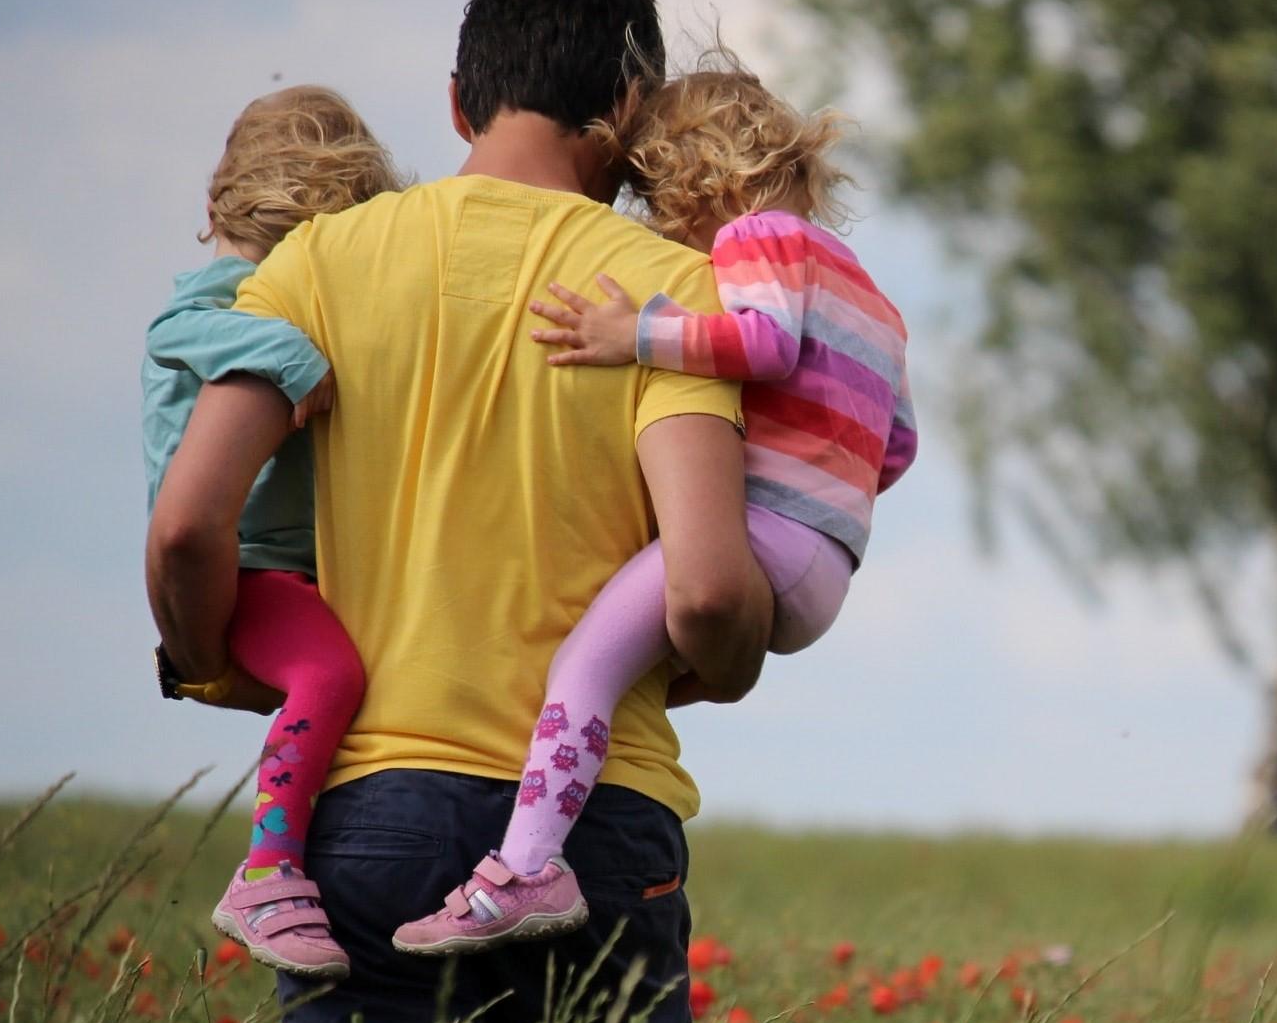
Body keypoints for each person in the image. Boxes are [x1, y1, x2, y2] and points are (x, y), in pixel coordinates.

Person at [145, 0, 772, 1023]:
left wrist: (216, 660)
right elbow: (702, 591)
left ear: (456, 100)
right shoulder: (666, 294)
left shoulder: (316, 265)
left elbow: (185, 526)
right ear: (629, 109)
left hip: (370, 812)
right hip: (596, 826)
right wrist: (728, 663)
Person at [393, 62, 917, 955]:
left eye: (656, 198)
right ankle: (554, 822)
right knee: (629, 670)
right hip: (828, 562)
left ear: (695, 179)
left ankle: (525, 869)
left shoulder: (758, 239)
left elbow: (761, 342)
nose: (661, 226)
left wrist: (630, 334)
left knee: (582, 668)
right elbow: (895, 446)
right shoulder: (871, 295)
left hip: (763, 536)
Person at [142, 86, 403, 979]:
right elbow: (177, 328)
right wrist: (293, 356)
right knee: (331, 673)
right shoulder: (226, 296)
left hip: (292, 568)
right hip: (249, 568)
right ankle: (269, 870)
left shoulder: (264, 286)